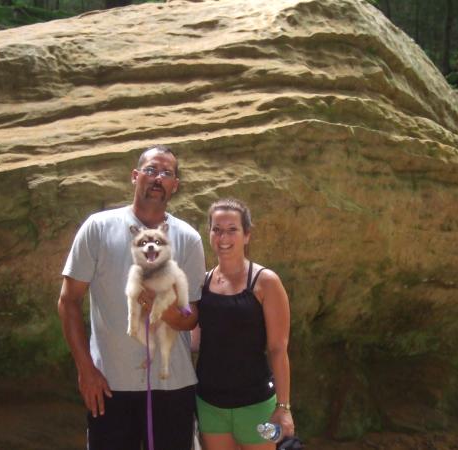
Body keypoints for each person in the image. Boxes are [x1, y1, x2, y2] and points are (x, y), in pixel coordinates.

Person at [58, 144, 206, 450]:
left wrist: (162, 307)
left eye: (167, 173)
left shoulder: (188, 238)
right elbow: (68, 300)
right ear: (135, 176)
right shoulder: (98, 228)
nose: (157, 178)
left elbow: (192, 318)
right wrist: (85, 370)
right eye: (151, 170)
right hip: (110, 384)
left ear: (175, 186)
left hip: (172, 385)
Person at [192, 198, 295, 450]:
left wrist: (283, 407)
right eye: (216, 229)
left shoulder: (265, 282)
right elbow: (194, 342)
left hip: (257, 404)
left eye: (232, 229)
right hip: (210, 404)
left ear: (247, 235)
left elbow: (278, 349)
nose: (223, 237)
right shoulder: (200, 283)